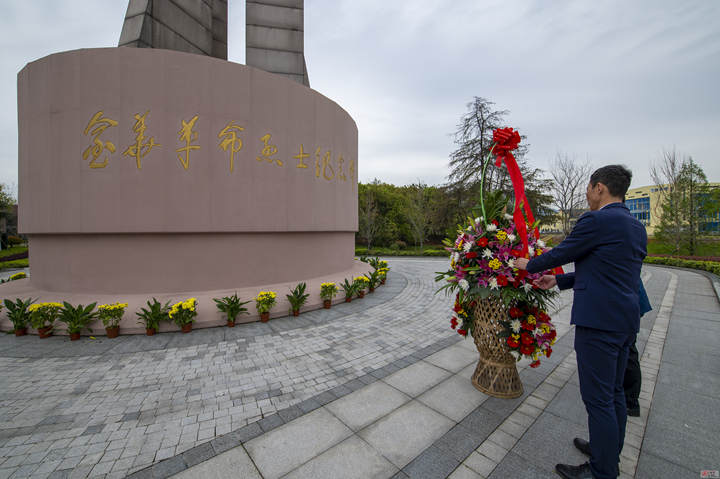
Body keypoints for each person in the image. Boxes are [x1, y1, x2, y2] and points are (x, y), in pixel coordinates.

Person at [516, 165, 647, 479]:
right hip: (625, 320)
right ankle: (607, 450)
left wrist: (528, 264)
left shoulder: (598, 219)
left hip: (599, 323)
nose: (587, 196)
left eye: (589, 189)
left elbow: (564, 251)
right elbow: (606, 270)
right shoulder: (634, 225)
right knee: (614, 392)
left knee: (598, 398)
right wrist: (558, 282)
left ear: (599, 188)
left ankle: (602, 471)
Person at [624, 280, 651, 416]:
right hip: (629, 300)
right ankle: (629, 397)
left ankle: (630, 400)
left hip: (627, 302)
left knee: (628, 352)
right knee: (628, 350)